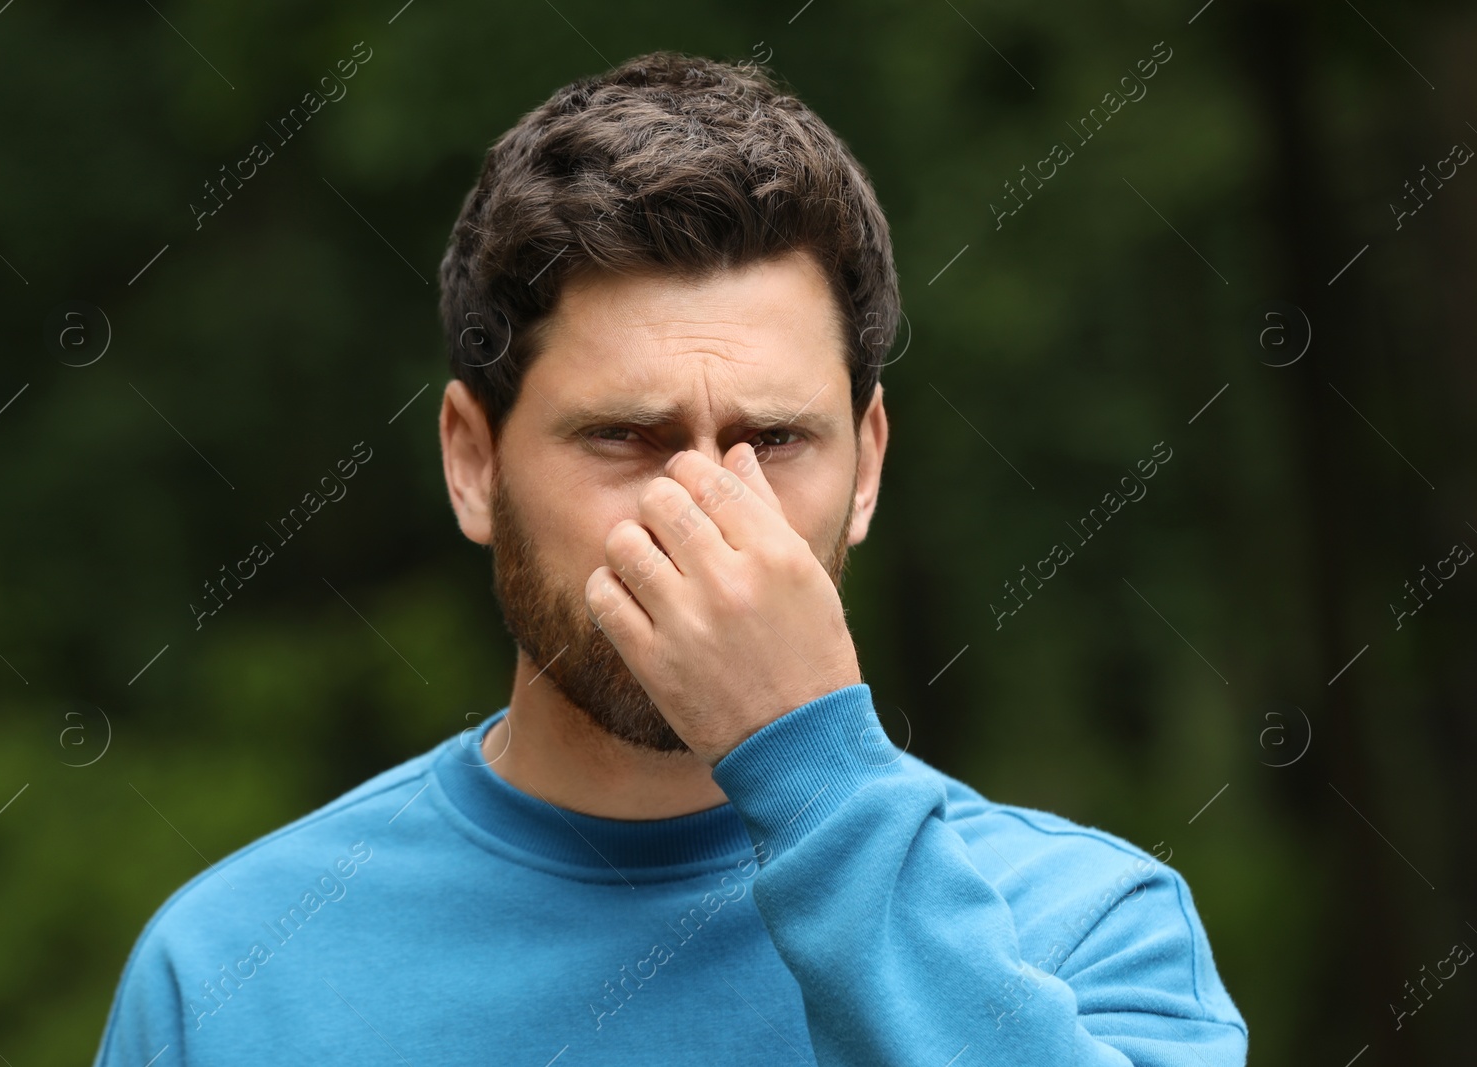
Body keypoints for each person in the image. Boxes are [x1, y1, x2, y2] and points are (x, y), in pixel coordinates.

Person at [93, 49, 1248, 1066]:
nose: (704, 504)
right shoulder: (233, 970)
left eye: (776, 439)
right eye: (624, 438)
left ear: (869, 466)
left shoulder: (1087, 931)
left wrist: (819, 775)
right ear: (472, 463)